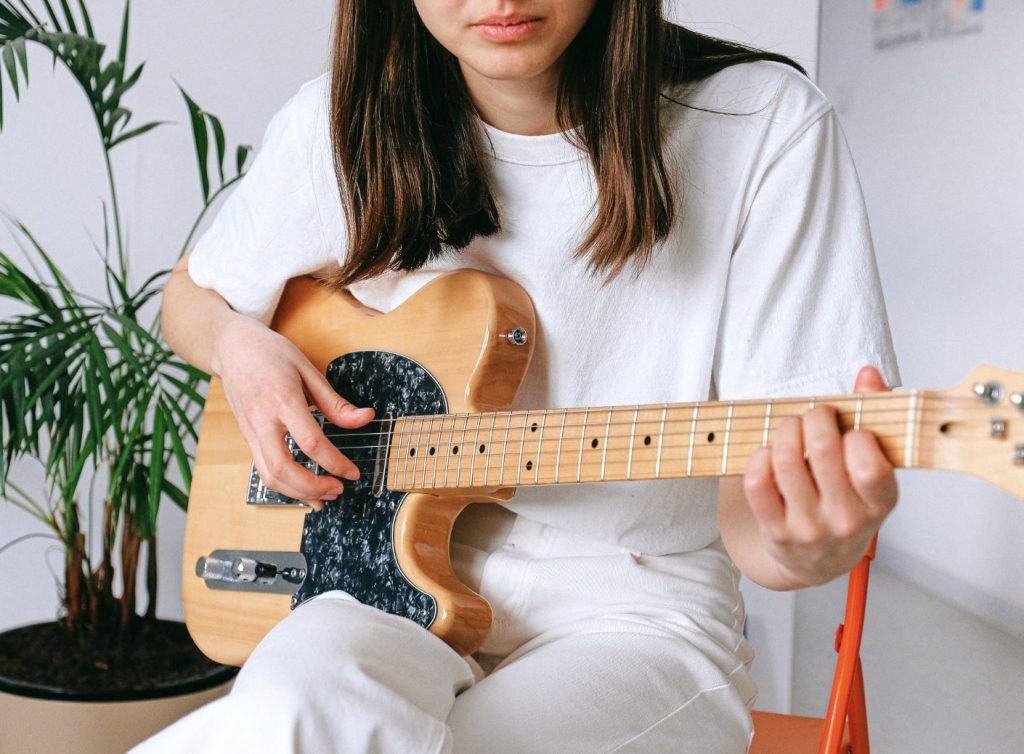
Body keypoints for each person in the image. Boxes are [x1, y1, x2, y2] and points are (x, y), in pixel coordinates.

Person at [139, 1, 899, 751]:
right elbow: (191, 296)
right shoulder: (342, 120)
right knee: (285, 710)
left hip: (640, 609)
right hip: (376, 581)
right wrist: (240, 347)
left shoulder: (762, 124)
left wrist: (808, 544)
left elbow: (760, 539)